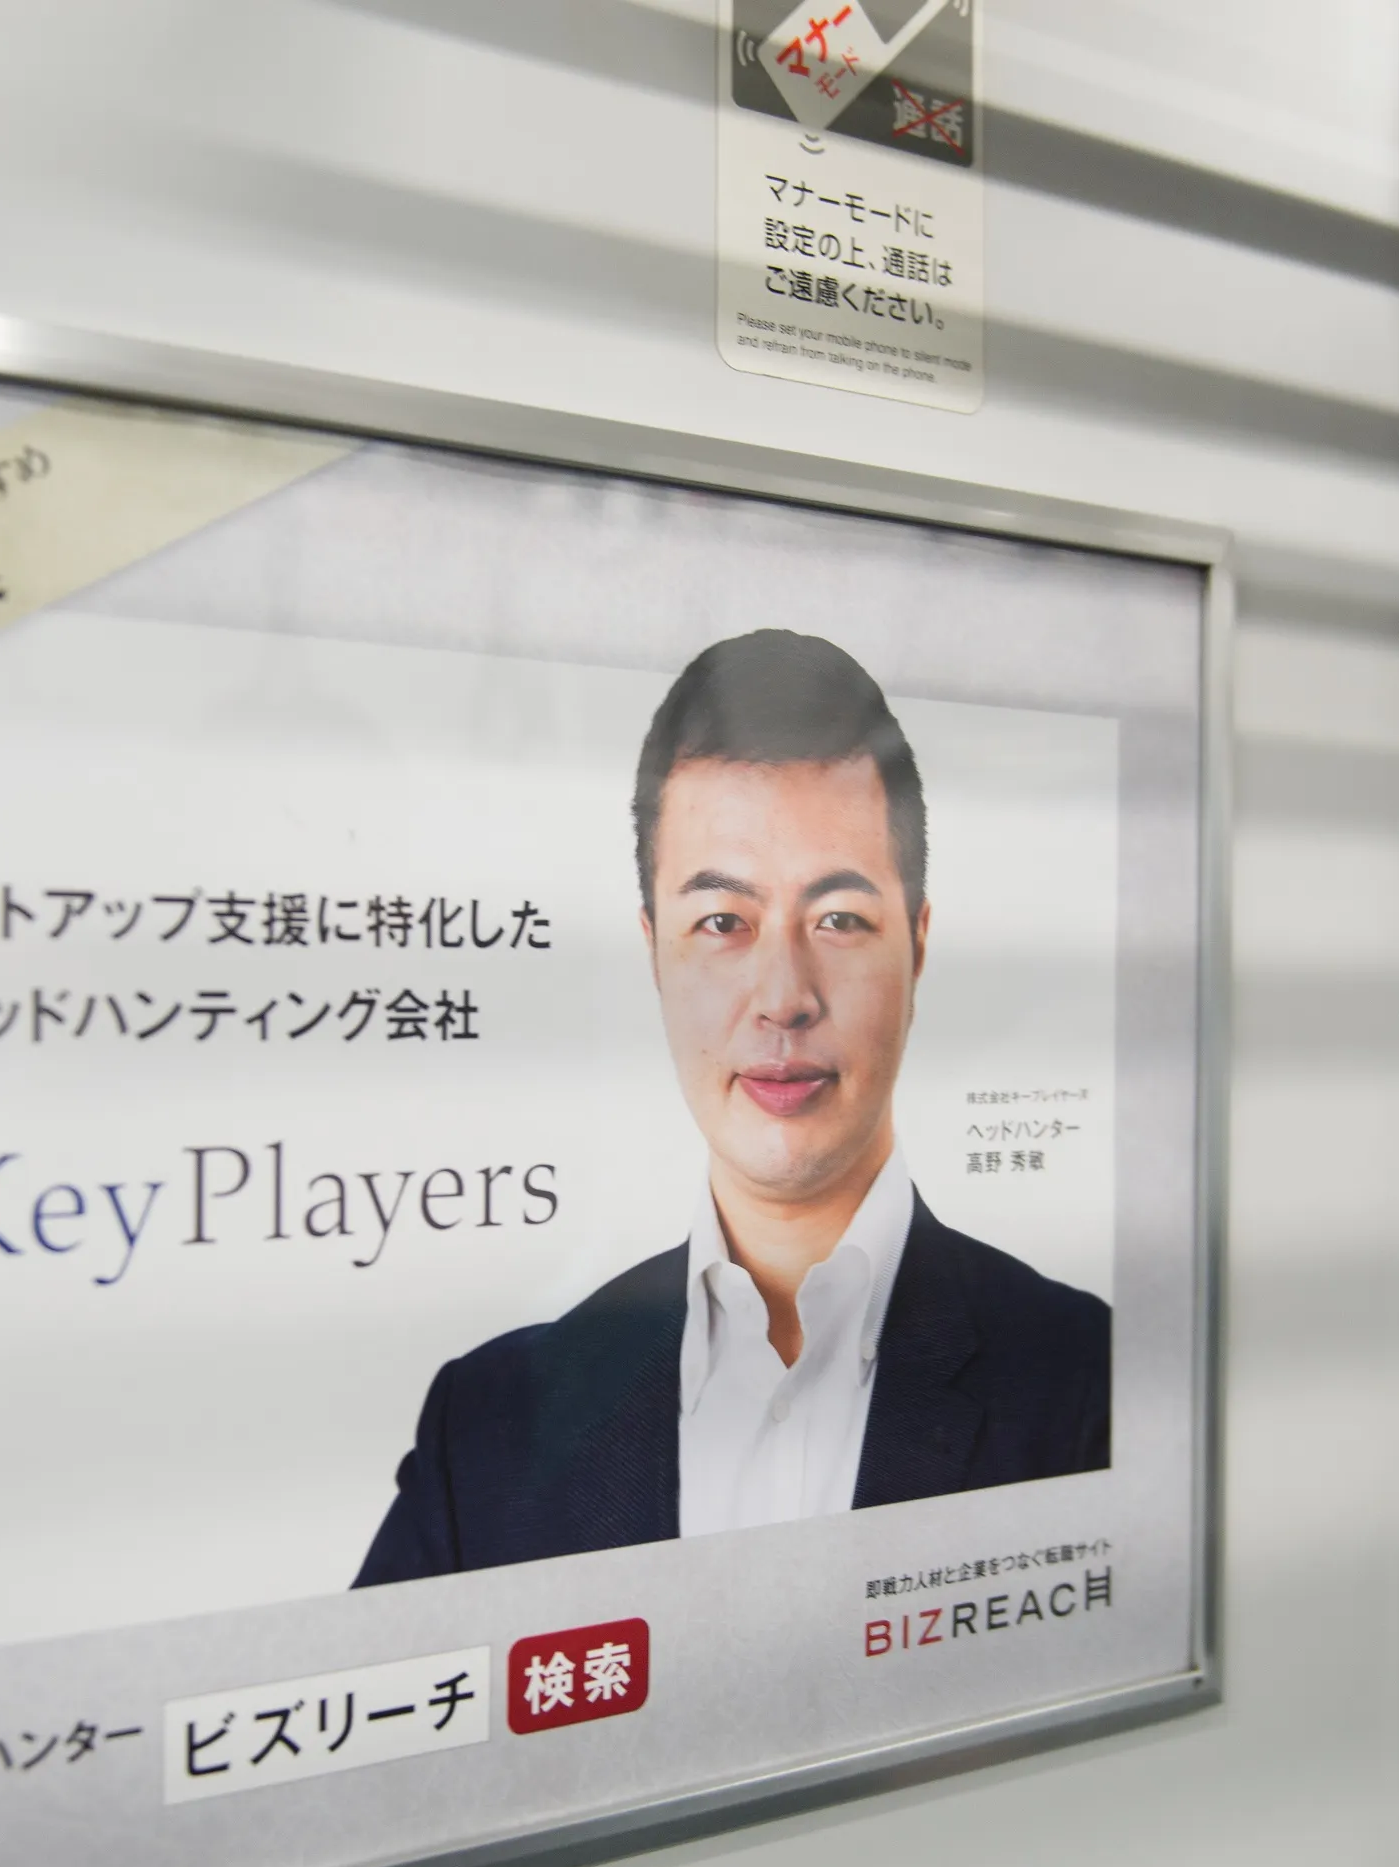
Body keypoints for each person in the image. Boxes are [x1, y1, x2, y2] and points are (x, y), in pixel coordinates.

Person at [353, 630, 1109, 1586]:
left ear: (917, 949)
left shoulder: (1096, 1385)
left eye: (839, 920)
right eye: (722, 922)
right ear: (653, 952)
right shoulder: (489, 1426)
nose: (783, 997)